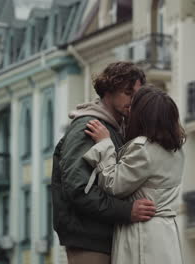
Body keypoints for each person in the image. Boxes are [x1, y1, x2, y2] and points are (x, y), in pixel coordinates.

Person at [51, 62, 156, 264]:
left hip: (104, 236)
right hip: (89, 240)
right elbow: (78, 189)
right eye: (128, 92)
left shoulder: (113, 129)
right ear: (108, 90)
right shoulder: (89, 126)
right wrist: (127, 211)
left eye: (137, 94)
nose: (134, 101)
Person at [83, 86, 185, 264]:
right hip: (167, 232)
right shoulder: (177, 149)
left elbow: (112, 184)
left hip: (142, 232)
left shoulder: (142, 148)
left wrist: (104, 143)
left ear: (142, 115)